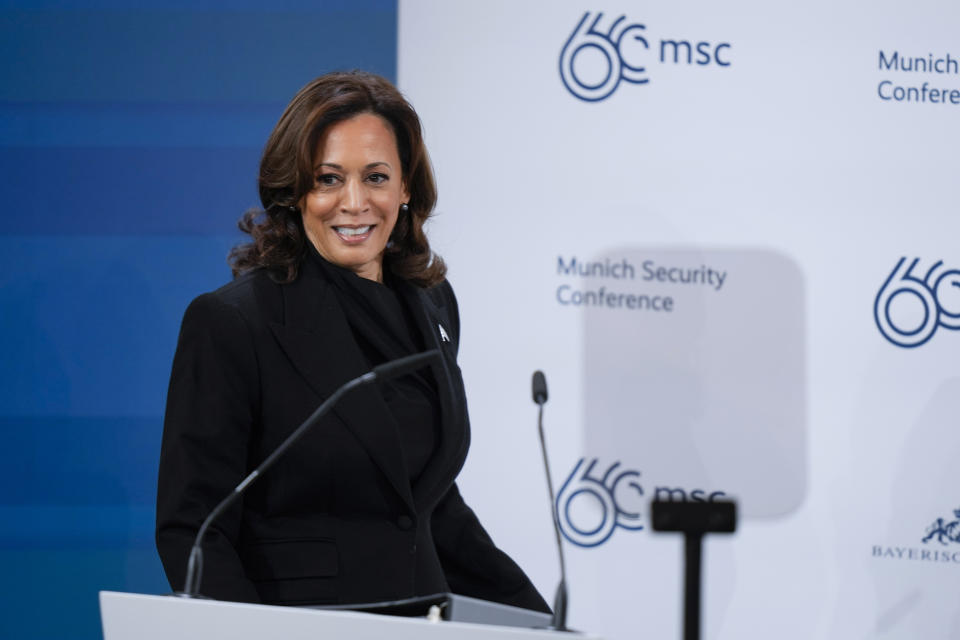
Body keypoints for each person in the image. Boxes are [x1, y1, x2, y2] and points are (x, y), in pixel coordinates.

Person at [156, 71, 549, 612]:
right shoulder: (231, 324)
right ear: (295, 191)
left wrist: (539, 621)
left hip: (421, 619)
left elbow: (430, 504)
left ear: (406, 187)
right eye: (328, 179)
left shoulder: (434, 304)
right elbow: (194, 530)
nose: (355, 202)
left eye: (377, 177)